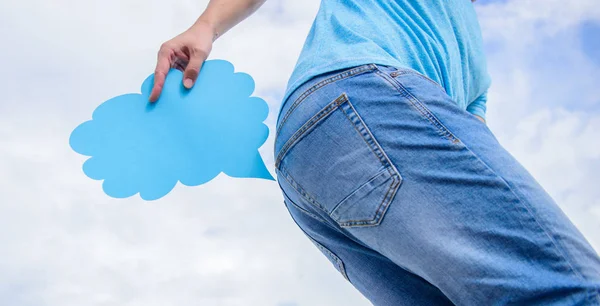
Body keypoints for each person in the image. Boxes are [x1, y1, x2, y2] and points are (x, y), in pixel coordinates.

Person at [149, 0, 600, 304]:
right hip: (362, 97)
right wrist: (206, 24)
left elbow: (469, 149)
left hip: (317, 160)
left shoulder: (473, 65)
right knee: (565, 290)